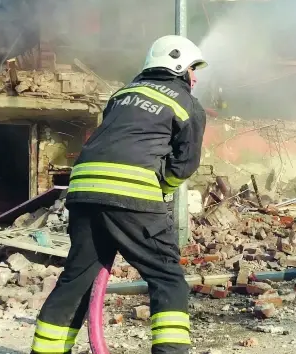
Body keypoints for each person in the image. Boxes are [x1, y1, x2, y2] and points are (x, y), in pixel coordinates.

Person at [30, 35, 208, 354]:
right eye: (193, 69)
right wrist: (160, 190)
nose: (195, 77)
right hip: (132, 194)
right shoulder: (186, 103)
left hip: (83, 189)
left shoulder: (122, 94)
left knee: (77, 280)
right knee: (167, 278)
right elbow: (184, 164)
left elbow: (116, 140)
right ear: (179, 67)